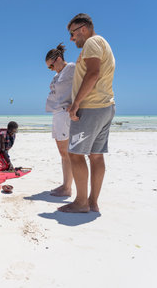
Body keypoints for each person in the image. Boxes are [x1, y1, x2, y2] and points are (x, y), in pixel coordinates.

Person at [58, 13, 116, 213]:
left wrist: (76, 104)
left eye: (72, 33)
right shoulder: (103, 43)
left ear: (83, 28)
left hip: (91, 108)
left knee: (74, 154)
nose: (71, 39)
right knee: (96, 156)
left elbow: (93, 74)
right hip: (106, 106)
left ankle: (81, 202)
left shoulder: (92, 43)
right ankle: (92, 202)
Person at [45, 43, 75, 197]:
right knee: (62, 152)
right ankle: (65, 185)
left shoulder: (71, 68)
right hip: (56, 114)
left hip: (64, 113)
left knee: (66, 152)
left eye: (51, 66)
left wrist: (76, 103)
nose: (51, 69)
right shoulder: (57, 75)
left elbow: (84, 84)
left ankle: (67, 188)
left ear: (57, 59)